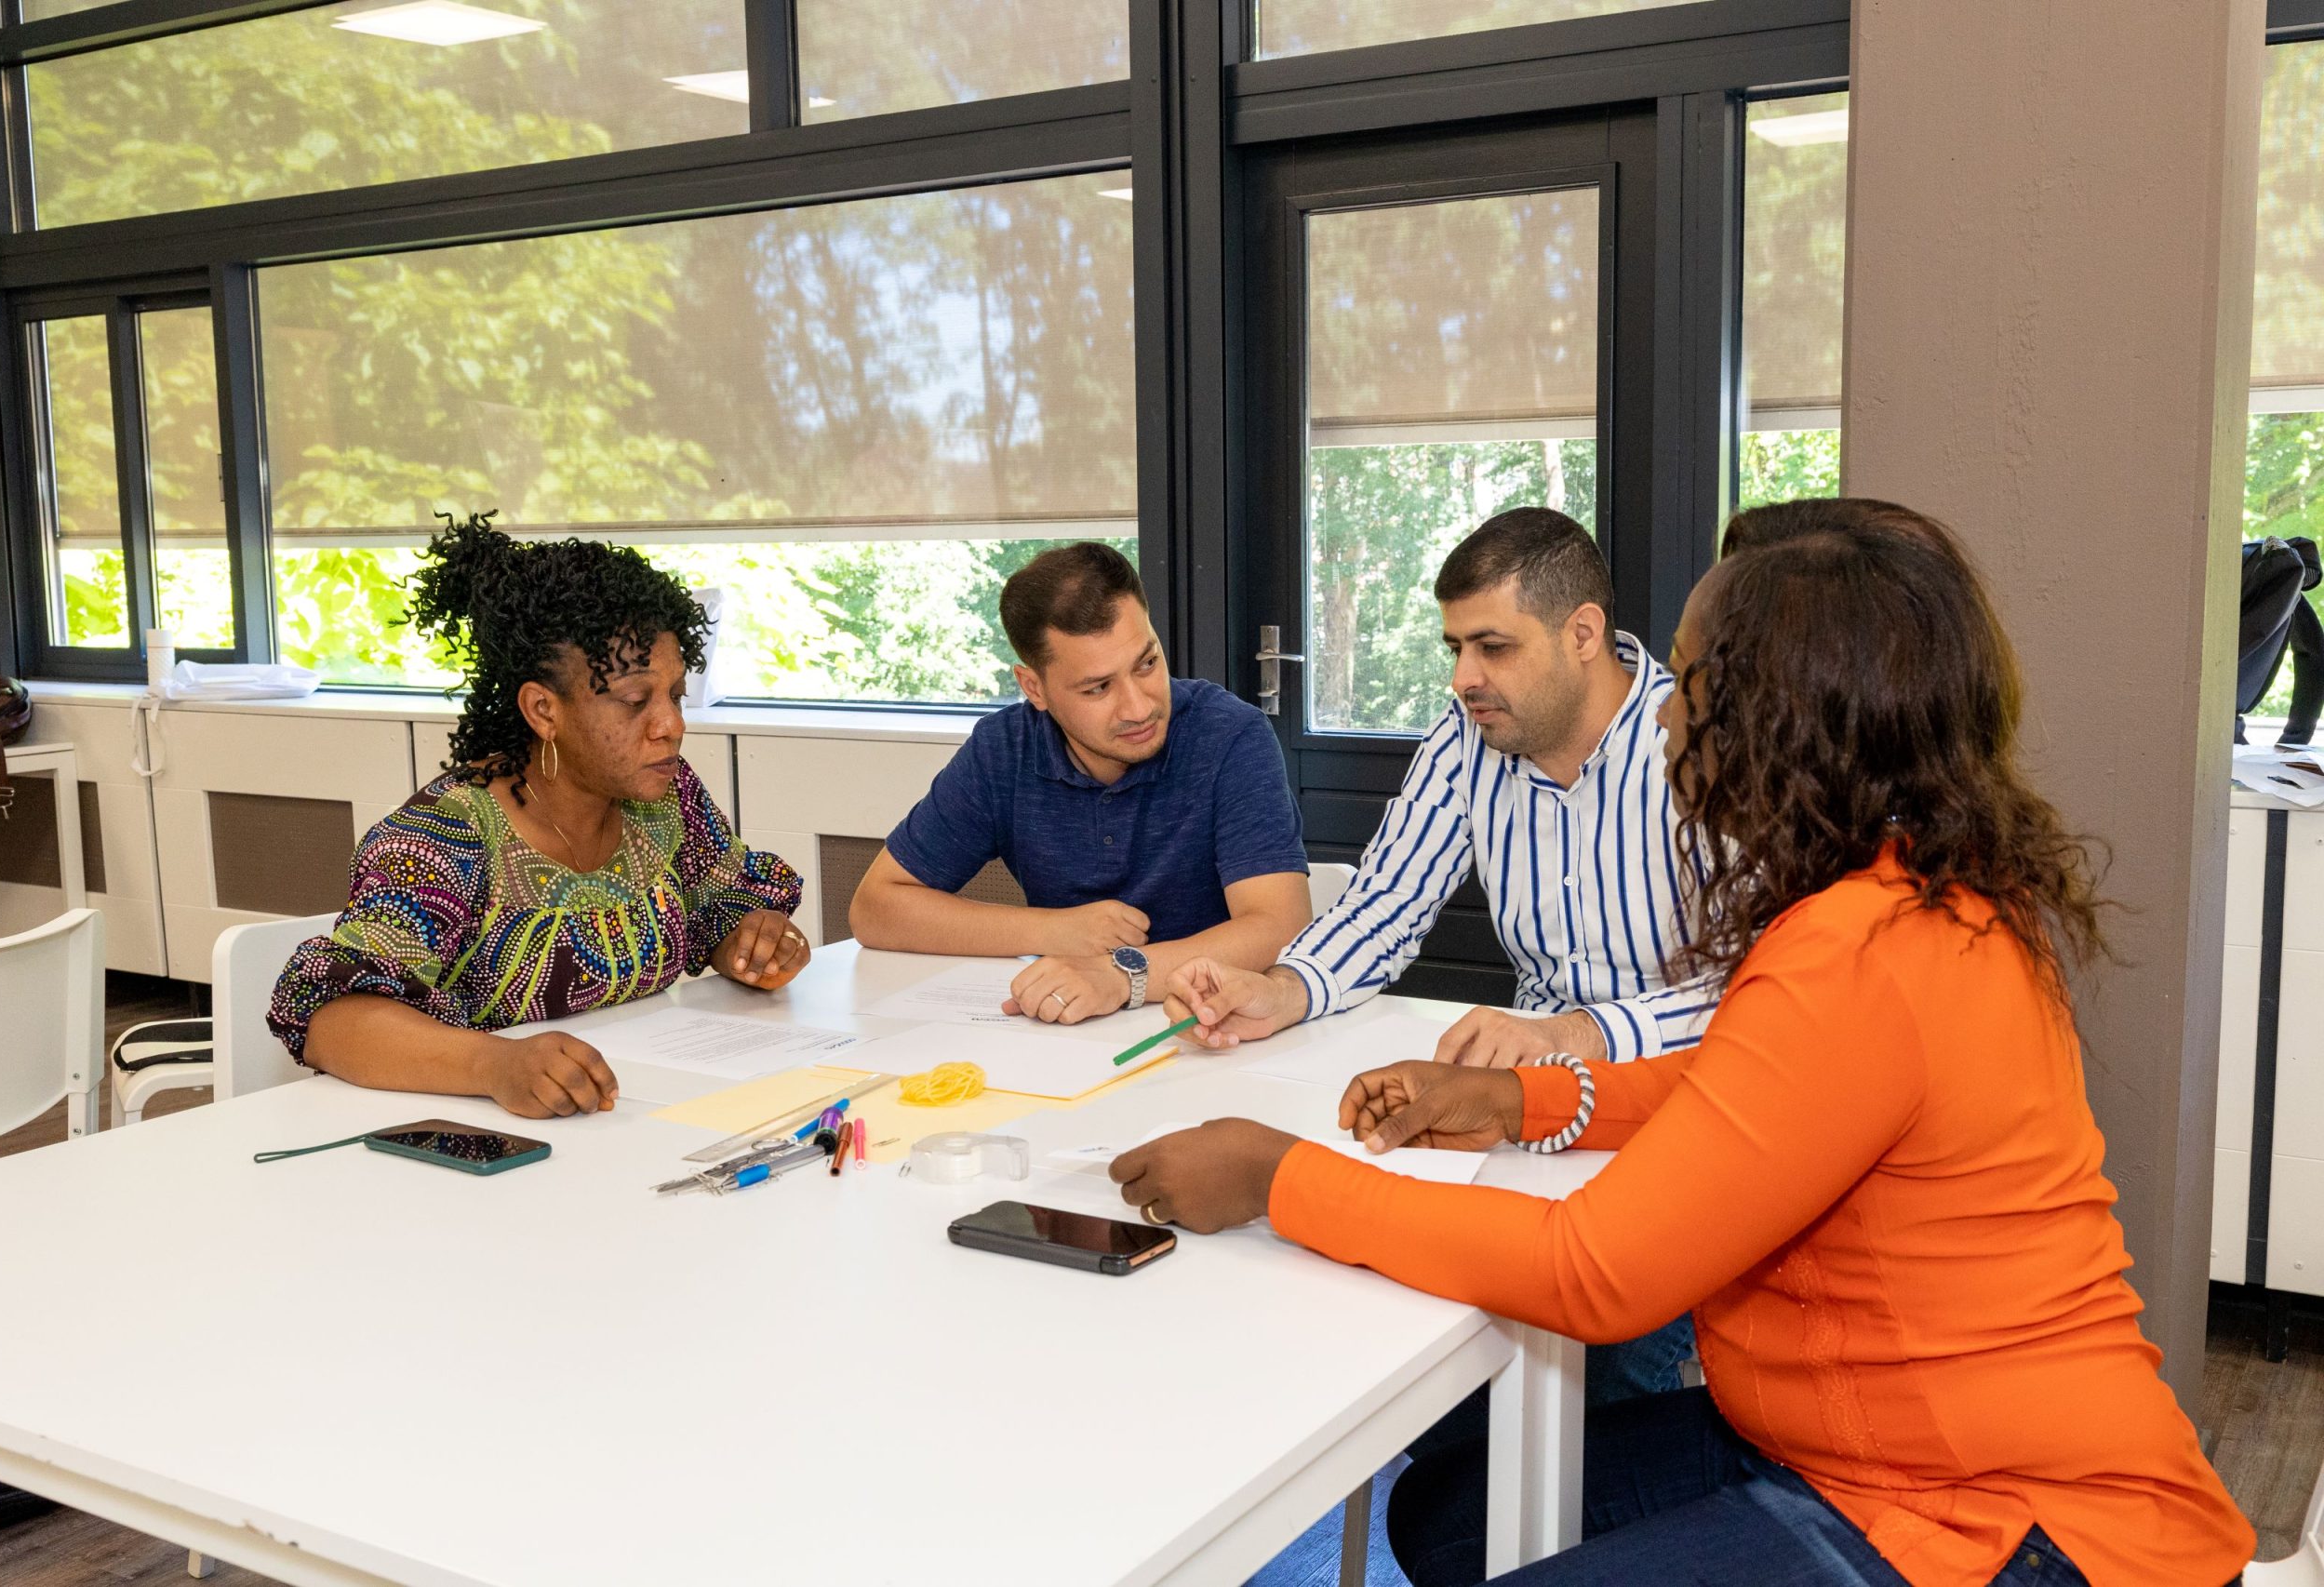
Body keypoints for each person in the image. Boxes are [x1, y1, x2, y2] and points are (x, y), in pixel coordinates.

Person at [1111, 500, 2255, 1586]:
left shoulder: (1860, 949)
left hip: (1994, 1520)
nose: (1664, 714)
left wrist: (1279, 1175)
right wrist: (1527, 1103)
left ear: (1782, 721)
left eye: (1693, 687)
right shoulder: (1914, 897)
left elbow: (1593, 1270)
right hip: (1848, 1448)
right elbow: (1752, 1097)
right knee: (1454, 1511)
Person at [1158, 506, 1714, 1403]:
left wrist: (1580, 1033)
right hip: (1519, 1120)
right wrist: (1284, 988)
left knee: (1596, 1395)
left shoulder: (1700, 743)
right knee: (1377, 1325)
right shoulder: (1475, 732)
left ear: (1583, 634)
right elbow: (1387, 898)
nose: (1464, 678)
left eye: (1491, 646)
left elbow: (1758, 994)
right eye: (1453, 648)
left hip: (1674, 1124)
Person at [269, 515, 809, 1120]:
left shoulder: (665, 799)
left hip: (635, 1122)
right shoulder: (443, 837)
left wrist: (750, 939)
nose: (671, 725)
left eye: (676, 695)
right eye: (636, 701)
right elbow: (333, 1021)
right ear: (543, 710)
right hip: (481, 1142)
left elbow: (722, 898)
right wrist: (496, 1064)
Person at [848, 542, 1312, 1026]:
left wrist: (1120, 976)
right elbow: (876, 909)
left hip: (1216, 1029)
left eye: (1147, 664)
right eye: (1098, 688)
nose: (1138, 707)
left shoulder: (1231, 735)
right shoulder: (1003, 750)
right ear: (1035, 689)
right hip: (1069, 1029)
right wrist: (1056, 930)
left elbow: (1280, 924)